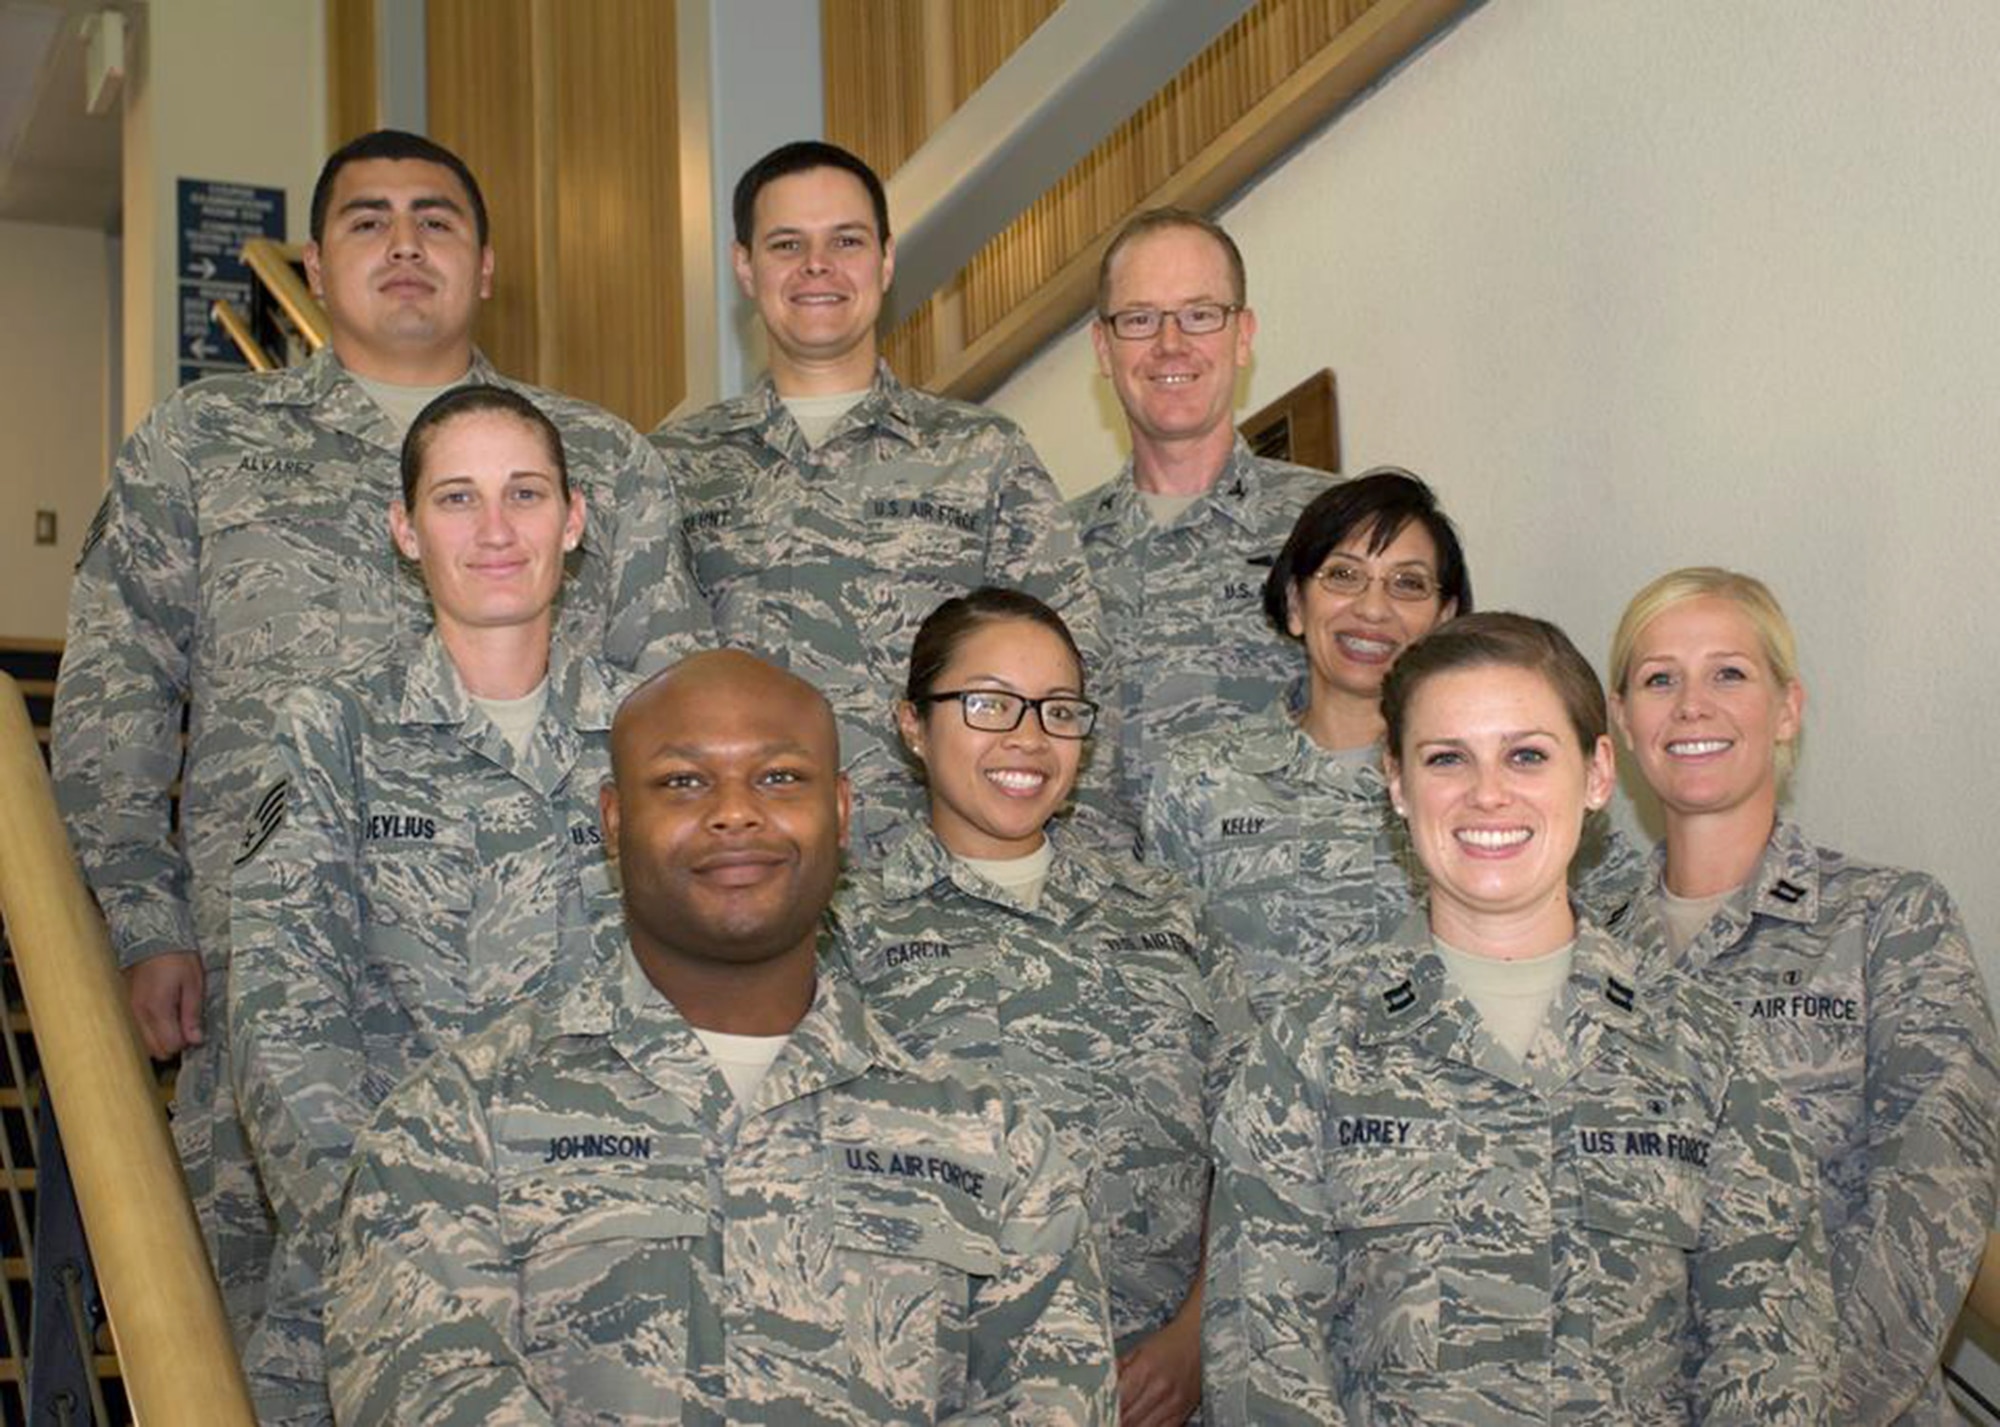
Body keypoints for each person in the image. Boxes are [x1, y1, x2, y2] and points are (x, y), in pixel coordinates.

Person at [49, 129, 708, 1347]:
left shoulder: (602, 456)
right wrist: (139, 921)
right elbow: (114, 695)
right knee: (275, 1350)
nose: (404, 242)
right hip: (282, 1016)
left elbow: (675, 724)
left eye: (436, 219)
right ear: (312, 262)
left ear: (489, 264)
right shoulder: (203, 445)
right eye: (367, 220)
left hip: (569, 1012)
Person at [325, 650, 1118, 1424]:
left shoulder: (995, 1145)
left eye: (779, 778)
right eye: (682, 781)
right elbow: (428, 1389)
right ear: (612, 819)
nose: (735, 810)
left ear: (840, 812)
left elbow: (1052, 1400)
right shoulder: (453, 1124)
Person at [1204, 612, 1834, 1424]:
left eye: (1528, 755)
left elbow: (1774, 1356)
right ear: (1395, 781)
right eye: (1446, 759)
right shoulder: (1310, 1044)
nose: (1488, 793)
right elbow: (1263, 1361)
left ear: (1598, 772)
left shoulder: (1704, 1048)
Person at [227, 386, 636, 1423]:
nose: (494, 529)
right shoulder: (335, 734)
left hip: (627, 1284)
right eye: (456, 497)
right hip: (385, 1289)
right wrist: (396, 1237)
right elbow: (284, 1016)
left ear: (573, 518)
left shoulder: (655, 733)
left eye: (525, 493)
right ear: (403, 529)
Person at [832, 588, 1251, 1427]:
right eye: (988, 703)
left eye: (1059, 710)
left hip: (1160, 1387)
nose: (1028, 737)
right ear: (912, 724)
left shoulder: (1166, 913)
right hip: (942, 1389)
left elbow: (1256, 1145)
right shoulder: (845, 926)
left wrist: (1196, 1338)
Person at [624, 140, 1108, 861]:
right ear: (745, 268)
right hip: (741, 877)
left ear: (884, 261)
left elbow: (1070, 671)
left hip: (943, 886)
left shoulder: (982, 456)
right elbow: (637, 689)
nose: (817, 266)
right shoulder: (670, 467)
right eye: (788, 244)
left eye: (845, 241)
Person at [1607, 567, 2000, 1425]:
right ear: (1623, 722)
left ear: (1787, 709)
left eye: (1729, 673)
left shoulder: (1889, 920)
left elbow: (1937, 1193)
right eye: (1659, 678)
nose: (1691, 704)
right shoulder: (1578, 948)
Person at [1143, 470, 1468, 1021]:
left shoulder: (1482, 779)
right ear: (1296, 603)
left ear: (1444, 618)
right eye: (1343, 575)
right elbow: (1166, 988)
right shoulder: (1199, 779)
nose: (1372, 608)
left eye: (1407, 583)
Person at [1069, 208, 1330, 823]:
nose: (1170, 344)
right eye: (1139, 319)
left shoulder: (1333, 530)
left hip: (1282, 903)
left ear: (1243, 335)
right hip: (1101, 911)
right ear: (1103, 348)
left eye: (1200, 314)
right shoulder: (1045, 546)